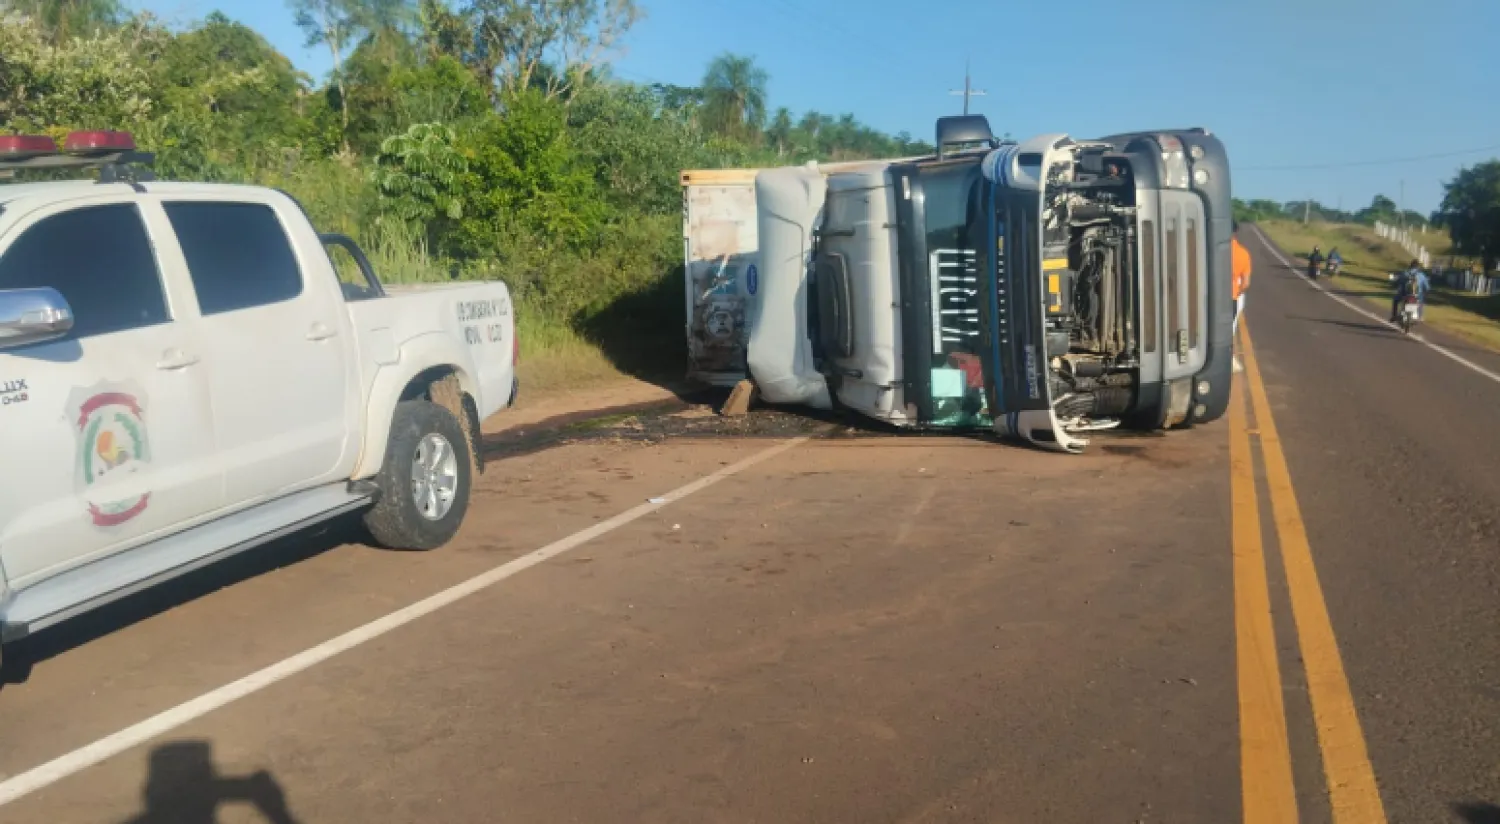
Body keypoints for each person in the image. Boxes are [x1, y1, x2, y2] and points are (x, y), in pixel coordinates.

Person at [1231, 221, 1252, 372]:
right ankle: (1229, 358)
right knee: (1229, 329)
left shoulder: (1208, 248)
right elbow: (1245, 283)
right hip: (1232, 296)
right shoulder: (1243, 253)